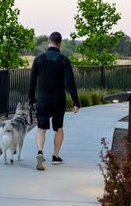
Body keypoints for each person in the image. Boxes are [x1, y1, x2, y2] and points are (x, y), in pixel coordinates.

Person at [28, 32, 80, 171]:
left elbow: (32, 82)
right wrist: (76, 101)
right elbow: (70, 82)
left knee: (41, 128)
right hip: (58, 100)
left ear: (48, 41)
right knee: (58, 128)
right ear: (60, 43)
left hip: (43, 99)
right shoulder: (64, 60)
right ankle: (55, 157)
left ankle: (40, 152)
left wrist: (31, 99)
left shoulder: (39, 59)